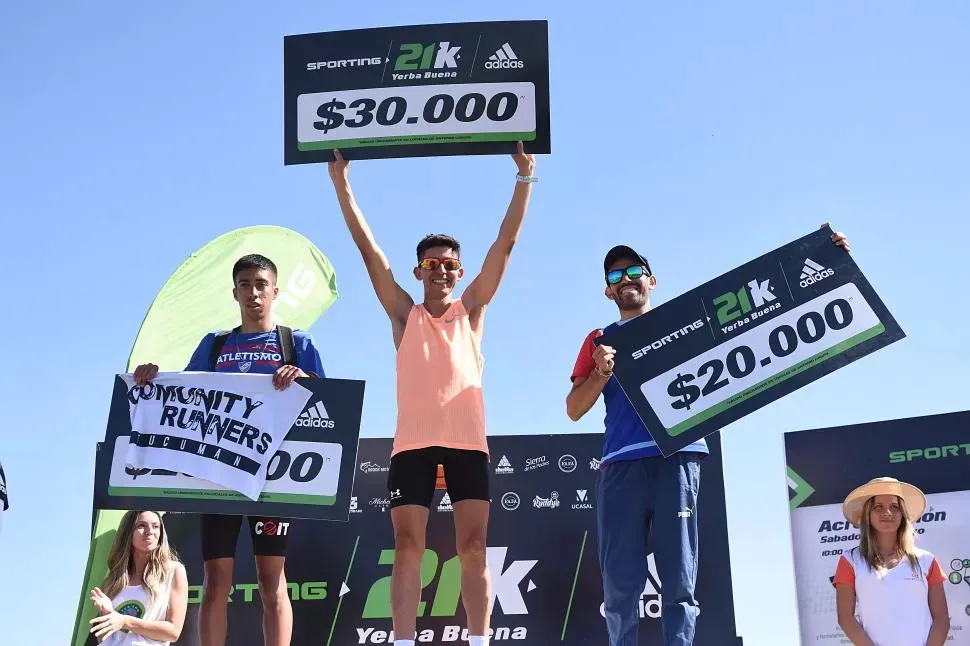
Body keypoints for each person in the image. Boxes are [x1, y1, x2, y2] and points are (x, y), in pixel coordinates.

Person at [566, 224, 851, 646]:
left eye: (633, 271)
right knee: (620, 586)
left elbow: (768, 306)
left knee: (679, 582)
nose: (625, 280)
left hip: (677, 459)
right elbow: (574, 409)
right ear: (607, 292)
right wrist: (601, 371)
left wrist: (830, 256)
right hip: (621, 465)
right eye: (614, 277)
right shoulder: (599, 340)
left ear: (652, 279)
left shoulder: (688, 320)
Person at [326, 142, 537, 646]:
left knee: (473, 545)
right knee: (407, 546)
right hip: (413, 447)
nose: (440, 270)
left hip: (467, 444)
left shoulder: (473, 312)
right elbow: (369, 253)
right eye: (431, 263)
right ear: (419, 271)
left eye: (448, 264)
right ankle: (403, 641)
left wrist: (525, 178)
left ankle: (481, 639)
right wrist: (342, 184)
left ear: (459, 273)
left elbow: (503, 249)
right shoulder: (405, 315)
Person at [132, 253, 326, 646]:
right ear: (234, 292)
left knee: (272, 579)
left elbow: (327, 408)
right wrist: (152, 378)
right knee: (216, 580)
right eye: (245, 285)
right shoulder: (216, 343)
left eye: (260, 284)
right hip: (218, 476)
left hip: (274, 476)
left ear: (275, 290)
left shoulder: (296, 342)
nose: (253, 293)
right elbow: (181, 398)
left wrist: (305, 378)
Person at [833, 477, 950, 646]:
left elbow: (941, 619)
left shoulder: (927, 560)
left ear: (903, 514)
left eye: (894, 507)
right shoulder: (850, 560)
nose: (887, 513)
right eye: (878, 507)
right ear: (867, 514)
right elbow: (845, 618)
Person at [88, 510, 188, 645]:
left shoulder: (173, 571)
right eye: (141, 526)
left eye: (155, 526)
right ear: (128, 533)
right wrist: (108, 613)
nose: (149, 532)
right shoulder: (113, 580)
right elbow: (104, 638)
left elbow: (173, 632)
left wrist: (125, 621)